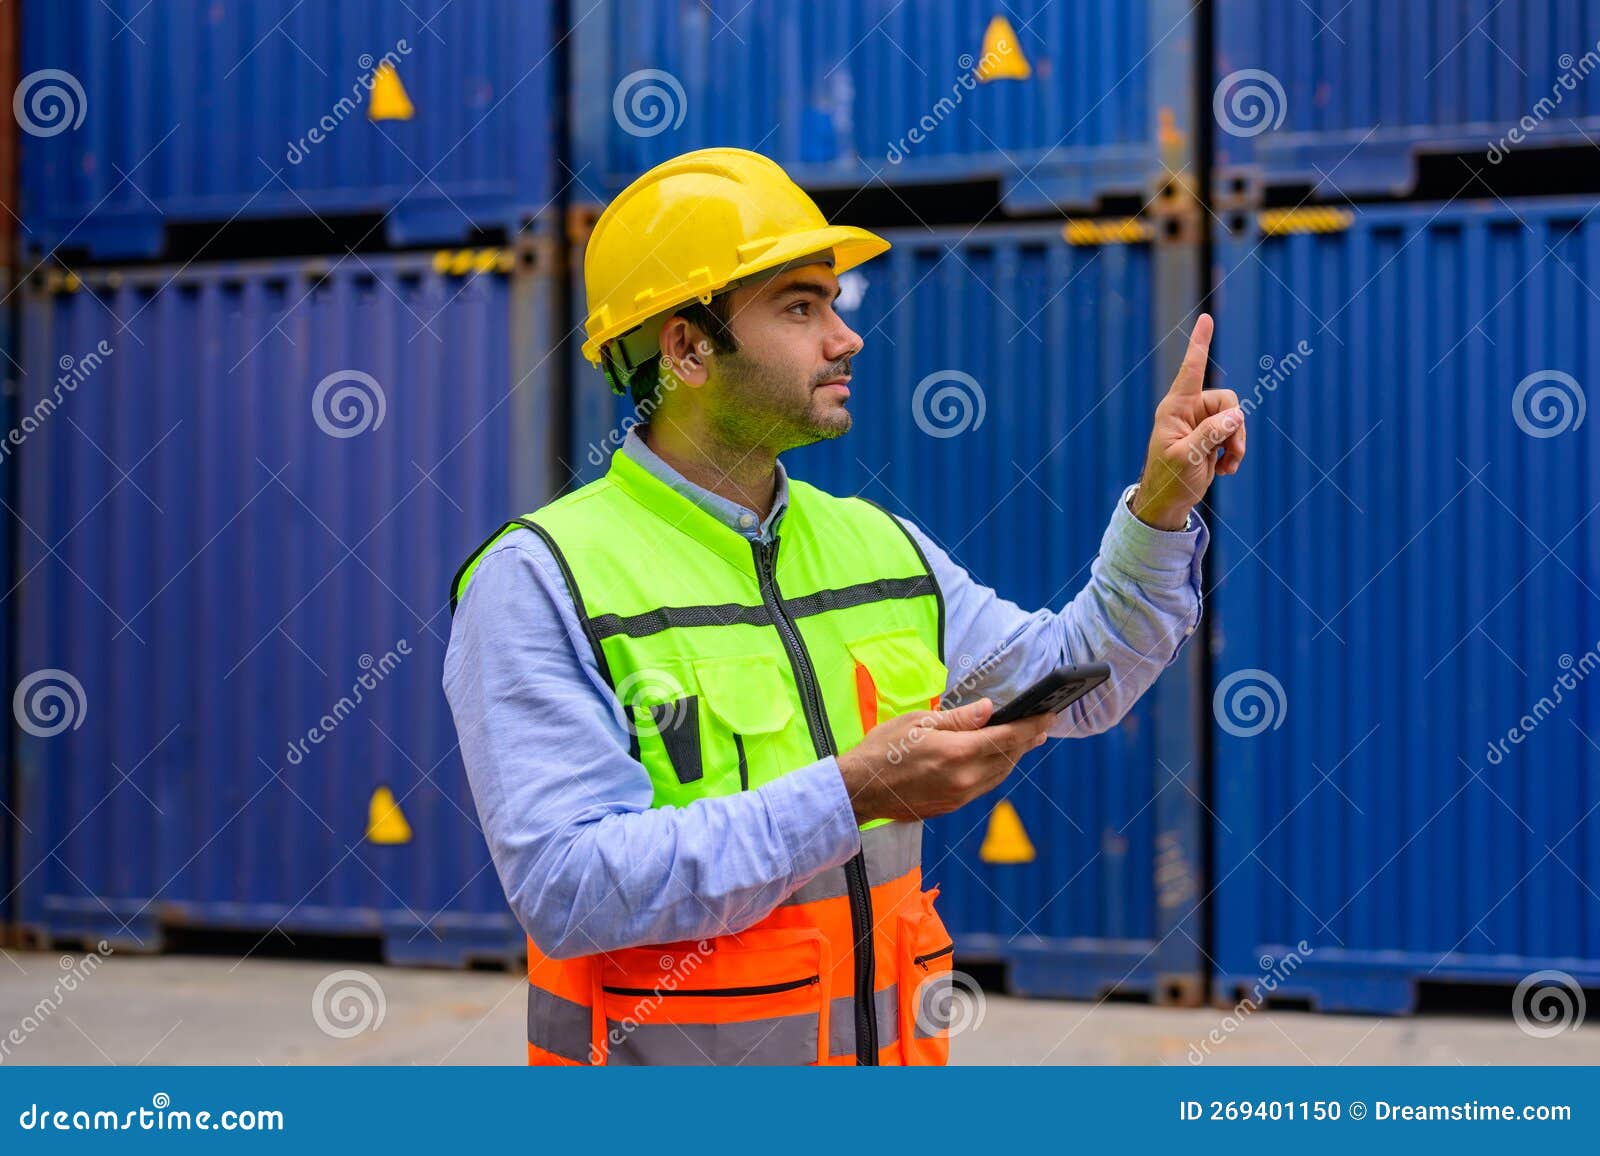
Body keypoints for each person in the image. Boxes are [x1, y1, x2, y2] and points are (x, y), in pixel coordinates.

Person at [443, 147, 1245, 1066]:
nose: (846, 334)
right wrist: (851, 790)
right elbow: (568, 886)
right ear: (688, 348)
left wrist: (1160, 507)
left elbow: (1082, 677)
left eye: (832, 302)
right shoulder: (543, 577)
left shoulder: (879, 546)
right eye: (800, 306)